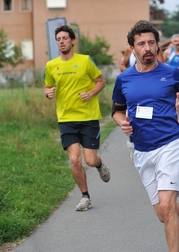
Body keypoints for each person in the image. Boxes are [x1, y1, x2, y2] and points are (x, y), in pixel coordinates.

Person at [112, 20, 179, 252]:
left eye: (151, 42)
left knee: (167, 205)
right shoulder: (123, 79)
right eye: (141, 44)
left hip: (171, 143)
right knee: (163, 213)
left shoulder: (171, 74)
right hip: (142, 150)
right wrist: (121, 122)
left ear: (158, 45)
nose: (147, 47)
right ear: (132, 48)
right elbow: (116, 110)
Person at [43, 25, 111, 211]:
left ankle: (99, 164)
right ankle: (85, 197)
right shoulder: (51, 66)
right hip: (66, 119)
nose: (62, 41)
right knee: (74, 159)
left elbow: (101, 82)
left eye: (65, 38)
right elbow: (47, 88)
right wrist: (48, 93)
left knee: (89, 160)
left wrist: (90, 93)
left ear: (72, 41)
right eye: (58, 39)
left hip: (88, 118)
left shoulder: (85, 61)